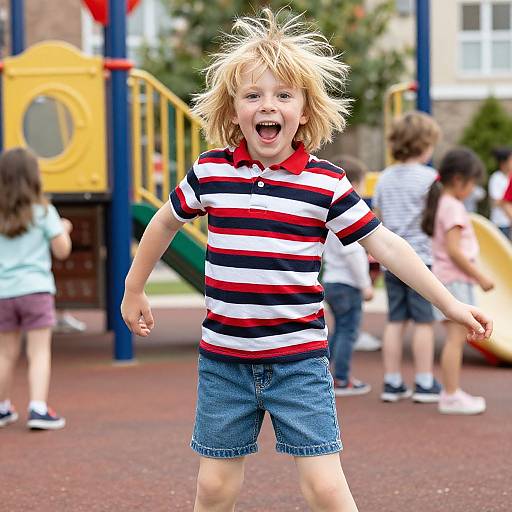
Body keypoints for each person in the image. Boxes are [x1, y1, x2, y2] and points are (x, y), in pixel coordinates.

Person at [121, 10, 491, 511]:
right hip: (224, 362)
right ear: (233, 111)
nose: (267, 106)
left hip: (298, 363)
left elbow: (385, 245)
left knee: (324, 487)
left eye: (282, 96)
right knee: (212, 487)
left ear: (304, 110)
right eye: (253, 96)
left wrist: (449, 304)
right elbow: (164, 221)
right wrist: (133, 287)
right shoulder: (210, 172)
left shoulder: (325, 182)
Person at [373, 111, 442, 403]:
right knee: (423, 322)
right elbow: (437, 218)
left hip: (392, 261)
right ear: (426, 146)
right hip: (420, 261)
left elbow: (378, 218)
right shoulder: (430, 178)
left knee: (395, 320)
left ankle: (392, 381)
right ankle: (425, 381)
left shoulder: (385, 179)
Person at [0, 147, 71, 430]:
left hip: (4, 292)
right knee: (39, 352)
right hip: (36, 291)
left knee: (5, 353)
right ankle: (38, 408)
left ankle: (2, 407)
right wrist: (64, 229)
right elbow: (62, 251)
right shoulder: (43, 211)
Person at [422, 147, 494, 414]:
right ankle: (450, 395)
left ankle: (451, 392)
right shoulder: (453, 208)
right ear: (459, 180)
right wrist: (481, 276)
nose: (473, 189)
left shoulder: (443, 203)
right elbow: (454, 251)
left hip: (447, 279)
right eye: (473, 183)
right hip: (454, 280)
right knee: (455, 340)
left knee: (456, 339)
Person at [322, 155, 374, 396]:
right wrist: (365, 285)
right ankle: (341, 378)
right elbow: (354, 253)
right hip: (347, 283)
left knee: (339, 329)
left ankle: (325, 372)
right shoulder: (349, 214)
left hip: (331, 280)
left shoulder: (327, 213)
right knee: (348, 331)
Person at [488, 147, 512, 238]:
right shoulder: (496, 178)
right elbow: (497, 201)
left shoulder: (510, 177)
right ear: (503, 163)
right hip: (500, 222)